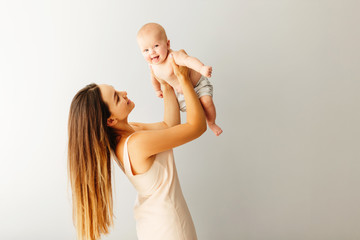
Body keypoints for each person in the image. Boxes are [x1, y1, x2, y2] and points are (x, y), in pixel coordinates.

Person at [68, 57, 206, 240]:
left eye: (116, 90)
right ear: (110, 120)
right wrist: (183, 78)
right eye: (117, 97)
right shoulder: (136, 144)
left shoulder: (130, 133)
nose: (123, 92)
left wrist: (165, 82)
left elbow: (169, 126)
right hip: (169, 230)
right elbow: (197, 126)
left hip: (156, 225)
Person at [137, 22, 223, 136]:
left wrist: (201, 68)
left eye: (156, 46)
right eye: (146, 50)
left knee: (207, 102)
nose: (152, 52)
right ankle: (205, 117)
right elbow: (154, 78)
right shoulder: (152, 66)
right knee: (196, 113)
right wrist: (157, 90)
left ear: (167, 44)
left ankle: (212, 123)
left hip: (198, 85)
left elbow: (188, 60)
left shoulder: (173, 56)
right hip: (182, 94)